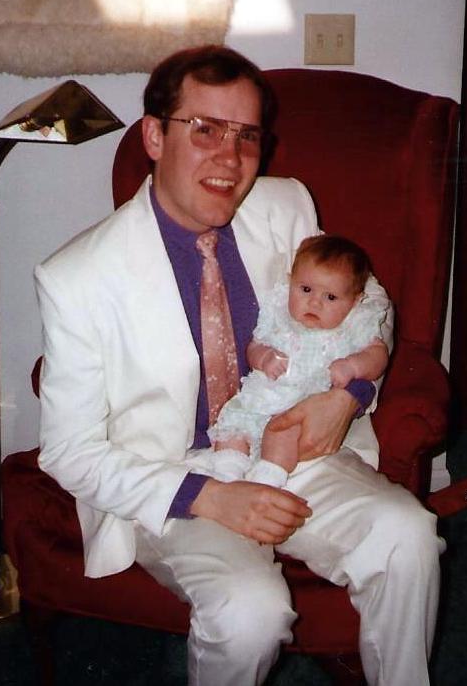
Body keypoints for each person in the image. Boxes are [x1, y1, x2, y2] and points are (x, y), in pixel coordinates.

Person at [34, 44, 440, 685]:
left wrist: (350, 395)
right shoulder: (77, 277)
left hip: (292, 440)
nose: (231, 158)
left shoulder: (285, 205)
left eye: (247, 136)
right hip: (177, 475)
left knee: (407, 535)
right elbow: (69, 451)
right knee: (250, 612)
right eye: (206, 130)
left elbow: (369, 302)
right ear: (154, 137)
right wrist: (211, 497)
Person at [208, 234, 391, 487]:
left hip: (303, 405)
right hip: (263, 397)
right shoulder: (279, 313)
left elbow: (378, 354)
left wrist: (353, 366)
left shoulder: (354, 324)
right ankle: (227, 472)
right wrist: (263, 357)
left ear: (354, 301)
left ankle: (268, 477)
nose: (314, 302)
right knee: (234, 425)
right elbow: (255, 344)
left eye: (330, 297)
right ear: (291, 281)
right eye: (305, 290)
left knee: (283, 432)